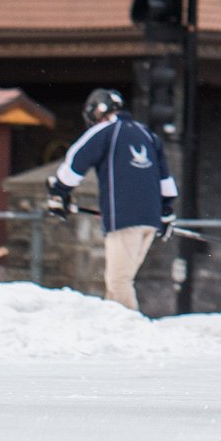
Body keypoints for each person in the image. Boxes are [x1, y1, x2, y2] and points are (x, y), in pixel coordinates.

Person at [44, 88, 176, 313]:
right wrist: (165, 212)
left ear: (99, 111)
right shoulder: (147, 134)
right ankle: (113, 330)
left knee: (118, 281)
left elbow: (76, 161)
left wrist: (59, 192)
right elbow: (165, 180)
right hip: (150, 220)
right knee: (120, 281)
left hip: (125, 218)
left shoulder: (106, 132)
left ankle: (132, 330)